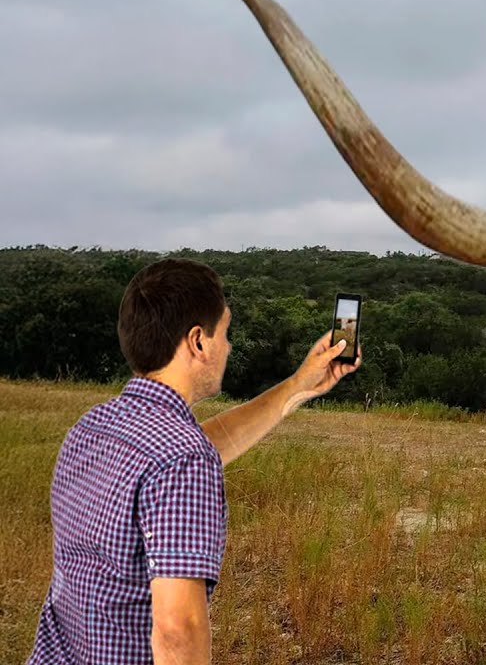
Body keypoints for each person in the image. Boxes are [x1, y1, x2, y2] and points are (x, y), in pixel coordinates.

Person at [26, 258, 361, 665]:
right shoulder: (181, 458)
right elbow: (177, 629)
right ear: (198, 341)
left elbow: (200, 445)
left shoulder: (94, 426)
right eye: (226, 332)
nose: (229, 346)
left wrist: (296, 387)